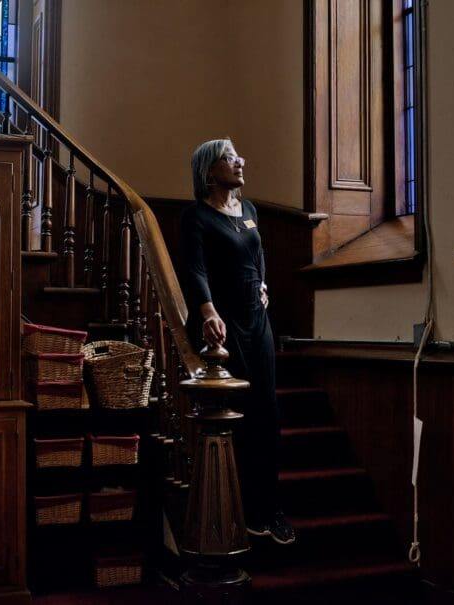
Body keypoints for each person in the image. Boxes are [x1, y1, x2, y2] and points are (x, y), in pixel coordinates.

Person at [179, 137, 296, 545]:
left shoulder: (249, 210)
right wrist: (207, 311)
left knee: (269, 411)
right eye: (230, 157)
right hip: (225, 323)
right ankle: (241, 506)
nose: (240, 160)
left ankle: (270, 508)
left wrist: (263, 284)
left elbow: (257, 253)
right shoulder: (195, 217)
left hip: (257, 320)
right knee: (240, 412)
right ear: (210, 170)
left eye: (237, 155)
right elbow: (195, 270)